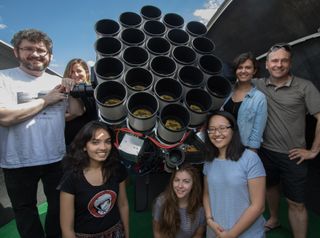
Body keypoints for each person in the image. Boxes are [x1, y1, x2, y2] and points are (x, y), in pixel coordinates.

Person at [0, 28, 84, 238]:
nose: (36, 54)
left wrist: (71, 92)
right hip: (17, 161)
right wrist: (46, 100)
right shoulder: (4, 78)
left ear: (50, 56)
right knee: (26, 212)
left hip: (55, 159)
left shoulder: (54, 82)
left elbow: (76, 112)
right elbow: (4, 117)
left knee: (57, 209)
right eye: (28, 48)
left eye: (41, 50)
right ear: (17, 52)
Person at [254, 43, 320, 238]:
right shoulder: (258, 85)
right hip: (266, 152)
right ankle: (274, 219)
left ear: (290, 63)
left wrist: (314, 150)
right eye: (274, 60)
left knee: (296, 203)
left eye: (284, 60)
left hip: (294, 156)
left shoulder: (305, 86)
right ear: (266, 64)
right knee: (270, 187)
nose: (279, 64)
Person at [59, 121, 129, 238]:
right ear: (84, 146)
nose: (103, 147)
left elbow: (123, 204)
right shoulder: (71, 178)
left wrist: (126, 234)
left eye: (107, 142)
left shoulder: (117, 169)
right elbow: (67, 228)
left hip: (115, 233)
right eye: (95, 142)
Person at [203, 111, 266, 238]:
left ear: (233, 130)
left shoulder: (250, 159)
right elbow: (207, 194)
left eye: (222, 128)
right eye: (212, 129)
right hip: (216, 231)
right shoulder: (209, 161)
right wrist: (209, 220)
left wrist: (231, 235)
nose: (217, 133)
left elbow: (258, 206)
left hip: (246, 234)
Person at [221, 52, 267, 152]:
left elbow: (257, 132)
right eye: (240, 67)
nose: (243, 71)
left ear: (254, 71)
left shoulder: (259, 98)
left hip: (242, 148)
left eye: (248, 67)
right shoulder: (228, 91)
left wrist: (252, 154)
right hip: (221, 144)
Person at [152, 163, 206, 238]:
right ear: (172, 182)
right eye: (177, 180)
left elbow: (198, 235)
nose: (180, 186)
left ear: (193, 184)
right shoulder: (161, 202)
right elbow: (157, 231)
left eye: (186, 181)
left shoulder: (200, 209)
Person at [63, 58, 97, 147]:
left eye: (79, 71)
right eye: (72, 72)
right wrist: (70, 89)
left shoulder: (95, 91)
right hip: (71, 142)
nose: (75, 75)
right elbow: (75, 113)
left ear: (86, 73)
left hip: (92, 141)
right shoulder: (63, 92)